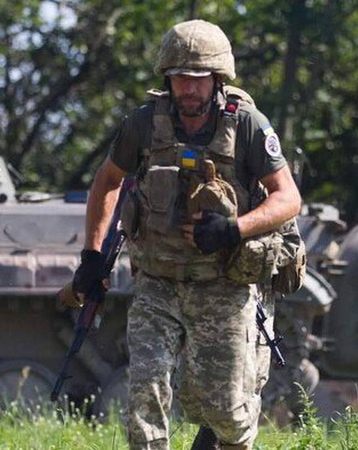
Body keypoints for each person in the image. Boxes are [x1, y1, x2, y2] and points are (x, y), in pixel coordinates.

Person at [71, 19, 301, 450]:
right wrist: (91, 256)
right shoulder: (143, 124)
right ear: (168, 79)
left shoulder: (247, 124)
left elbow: (287, 198)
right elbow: (107, 182)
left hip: (222, 285)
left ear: (217, 80)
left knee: (225, 410)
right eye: (180, 79)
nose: (189, 89)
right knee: (145, 391)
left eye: (198, 80)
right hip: (156, 283)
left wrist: (234, 229)